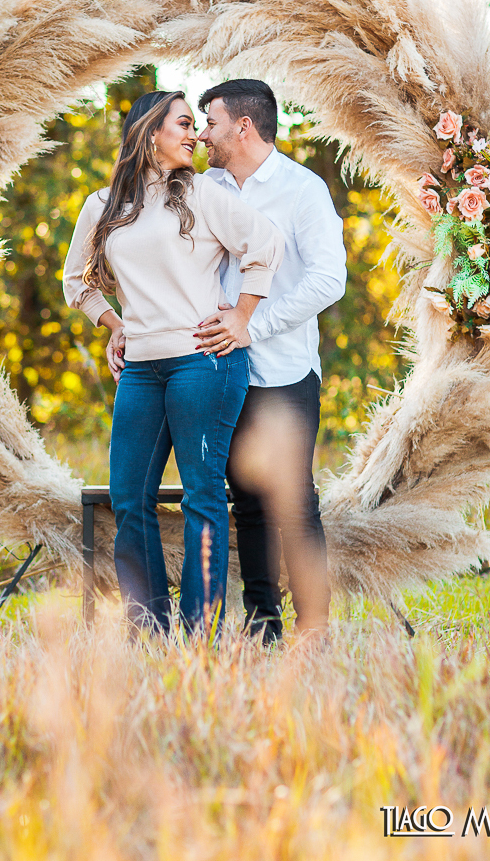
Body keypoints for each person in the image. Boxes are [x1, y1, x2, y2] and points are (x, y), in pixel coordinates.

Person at [63, 90, 283, 635]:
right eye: (184, 124)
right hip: (140, 368)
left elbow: (266, 243)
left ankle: (199, 633)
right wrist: (115, 325)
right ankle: (149, 627)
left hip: (203, 364)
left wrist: (242, 316)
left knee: (201, 496)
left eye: (195, 125)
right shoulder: (103, 204)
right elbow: (75, 282)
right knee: (128, 497)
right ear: (150, 132)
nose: (195, 135)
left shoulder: (202, 193)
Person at [193, 78, 347, 642]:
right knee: (247, 501)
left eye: (210, 122)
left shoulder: (302, 190)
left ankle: (315, 626)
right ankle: (262, 625)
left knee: (293, 499)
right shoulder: (203, 187)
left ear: (243, 127)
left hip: (283, 369)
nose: (202, 134)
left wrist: (252, 326)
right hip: (219, 368)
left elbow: (328, 280)